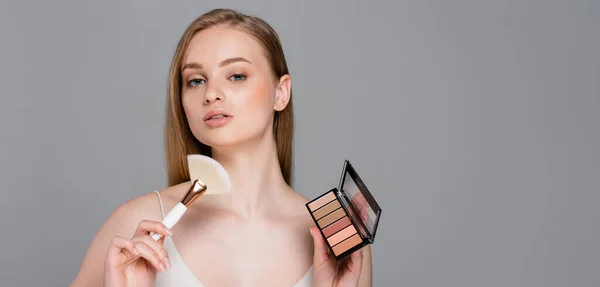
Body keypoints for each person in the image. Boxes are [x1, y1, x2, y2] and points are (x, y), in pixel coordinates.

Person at [70, 8, 372, 287]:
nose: (212, 93)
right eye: (196, 80)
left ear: (281, 93)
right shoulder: (137, 223)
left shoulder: (337, 231)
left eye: (236, 76)